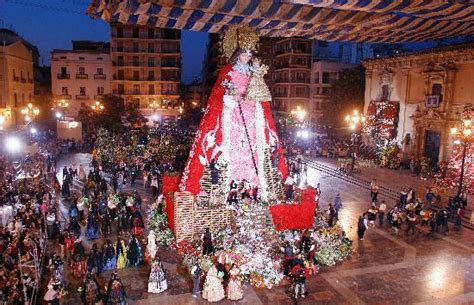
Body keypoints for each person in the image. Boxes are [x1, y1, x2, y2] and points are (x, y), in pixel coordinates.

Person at [178, 38, 288, 202]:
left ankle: (256, 184)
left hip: (251, 111)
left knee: (256, 143)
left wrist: (253, 95)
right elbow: (219, 92)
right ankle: (227, 185)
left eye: (249, 55)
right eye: (244, 55)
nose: (247, 58)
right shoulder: (228, 71)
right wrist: (231, 94)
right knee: (231, 142)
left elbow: (259, 91)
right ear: (238, 55)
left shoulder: (253, 72)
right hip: (233, 111)